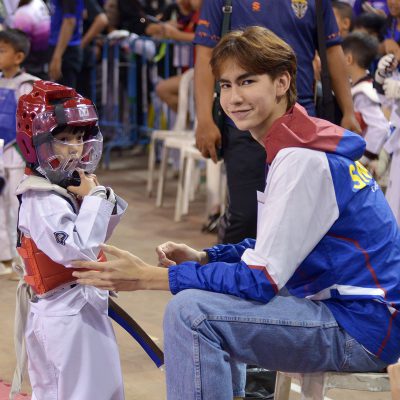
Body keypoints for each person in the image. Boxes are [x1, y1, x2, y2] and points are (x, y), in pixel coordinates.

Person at [73, 27, 400, 399]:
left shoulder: (300, 159)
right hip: (357, 315)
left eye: (247, 81)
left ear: (282, 83)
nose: (234, 97)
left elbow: (261, 280)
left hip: (362, 327)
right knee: (201, 301)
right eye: (225, 85)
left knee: (192, 314)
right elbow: (277, 246)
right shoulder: (299, 140)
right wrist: (207, 257)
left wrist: (147, 277)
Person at [193, 0, 361, 245]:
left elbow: (332, 50)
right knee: (246, 215)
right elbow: (206, 55)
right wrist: (204, 119)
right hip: (246, 123)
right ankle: (228, 269)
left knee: (302, 215)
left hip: (302, 120)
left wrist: (348, 111)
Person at [13, 80, 127, 399]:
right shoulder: (42, 198)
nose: (75, 148)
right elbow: (79, 251)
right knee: (82, 392)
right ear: (34, 142)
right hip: (64, 313)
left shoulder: (63, 189)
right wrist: (97, 198)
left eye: (79, 138)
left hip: (79, 306)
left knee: (95, 389)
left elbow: (97, 237)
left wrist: (95, 198)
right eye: (63, 139)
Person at [0, 28, 38, 276]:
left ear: (18, 57)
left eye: (2, 51)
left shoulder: (28, 85)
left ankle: (25, 261)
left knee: (18, 205)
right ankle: (4, 258)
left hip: (17, 154)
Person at [342, 31, 390, 168]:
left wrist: (363, 159)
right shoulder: (358, 86)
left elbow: (380, 127)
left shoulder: (364, 92)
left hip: (363, 164)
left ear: (348, 59)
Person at [48, 0, 84, 87]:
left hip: (66, 51)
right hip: (59, 48)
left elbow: (69, 21)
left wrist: (57, 57)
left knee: (64, 93)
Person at [12, 0, 51, 79]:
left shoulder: (23, 13)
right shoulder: (39, 2)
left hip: (31, 59)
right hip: (44, 54)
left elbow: (20, 41)